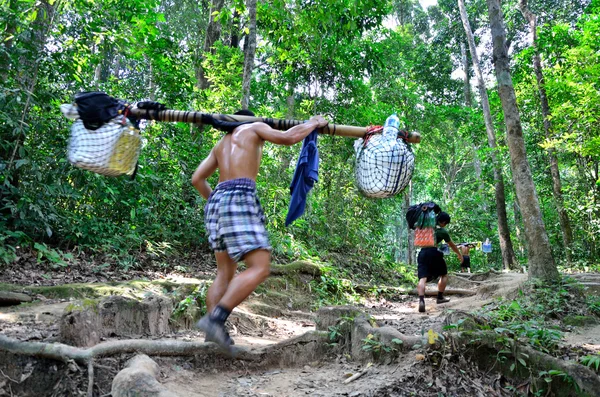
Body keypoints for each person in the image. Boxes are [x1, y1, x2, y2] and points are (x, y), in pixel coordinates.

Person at [191, 110, 328, 352]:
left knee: (224, 272)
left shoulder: (220, 145)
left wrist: (219, 203)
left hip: (217, 201)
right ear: (249, 119)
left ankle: (213, 336)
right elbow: (288, 137)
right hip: (240, 196)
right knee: (260, 267)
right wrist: (313, 123)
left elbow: (197, 179)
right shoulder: (254, 127)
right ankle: (215, 320)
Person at [417, 211, 463, 313]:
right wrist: (459, 254)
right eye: (445, 223)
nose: (445, 225)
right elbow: (452, 245)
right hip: (433, 252)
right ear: (443, 222)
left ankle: (421, 300)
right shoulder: (442, 231)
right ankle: (440, 297)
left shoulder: (424, 227)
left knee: (422, 278)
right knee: (444, 275)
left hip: (422, 253)